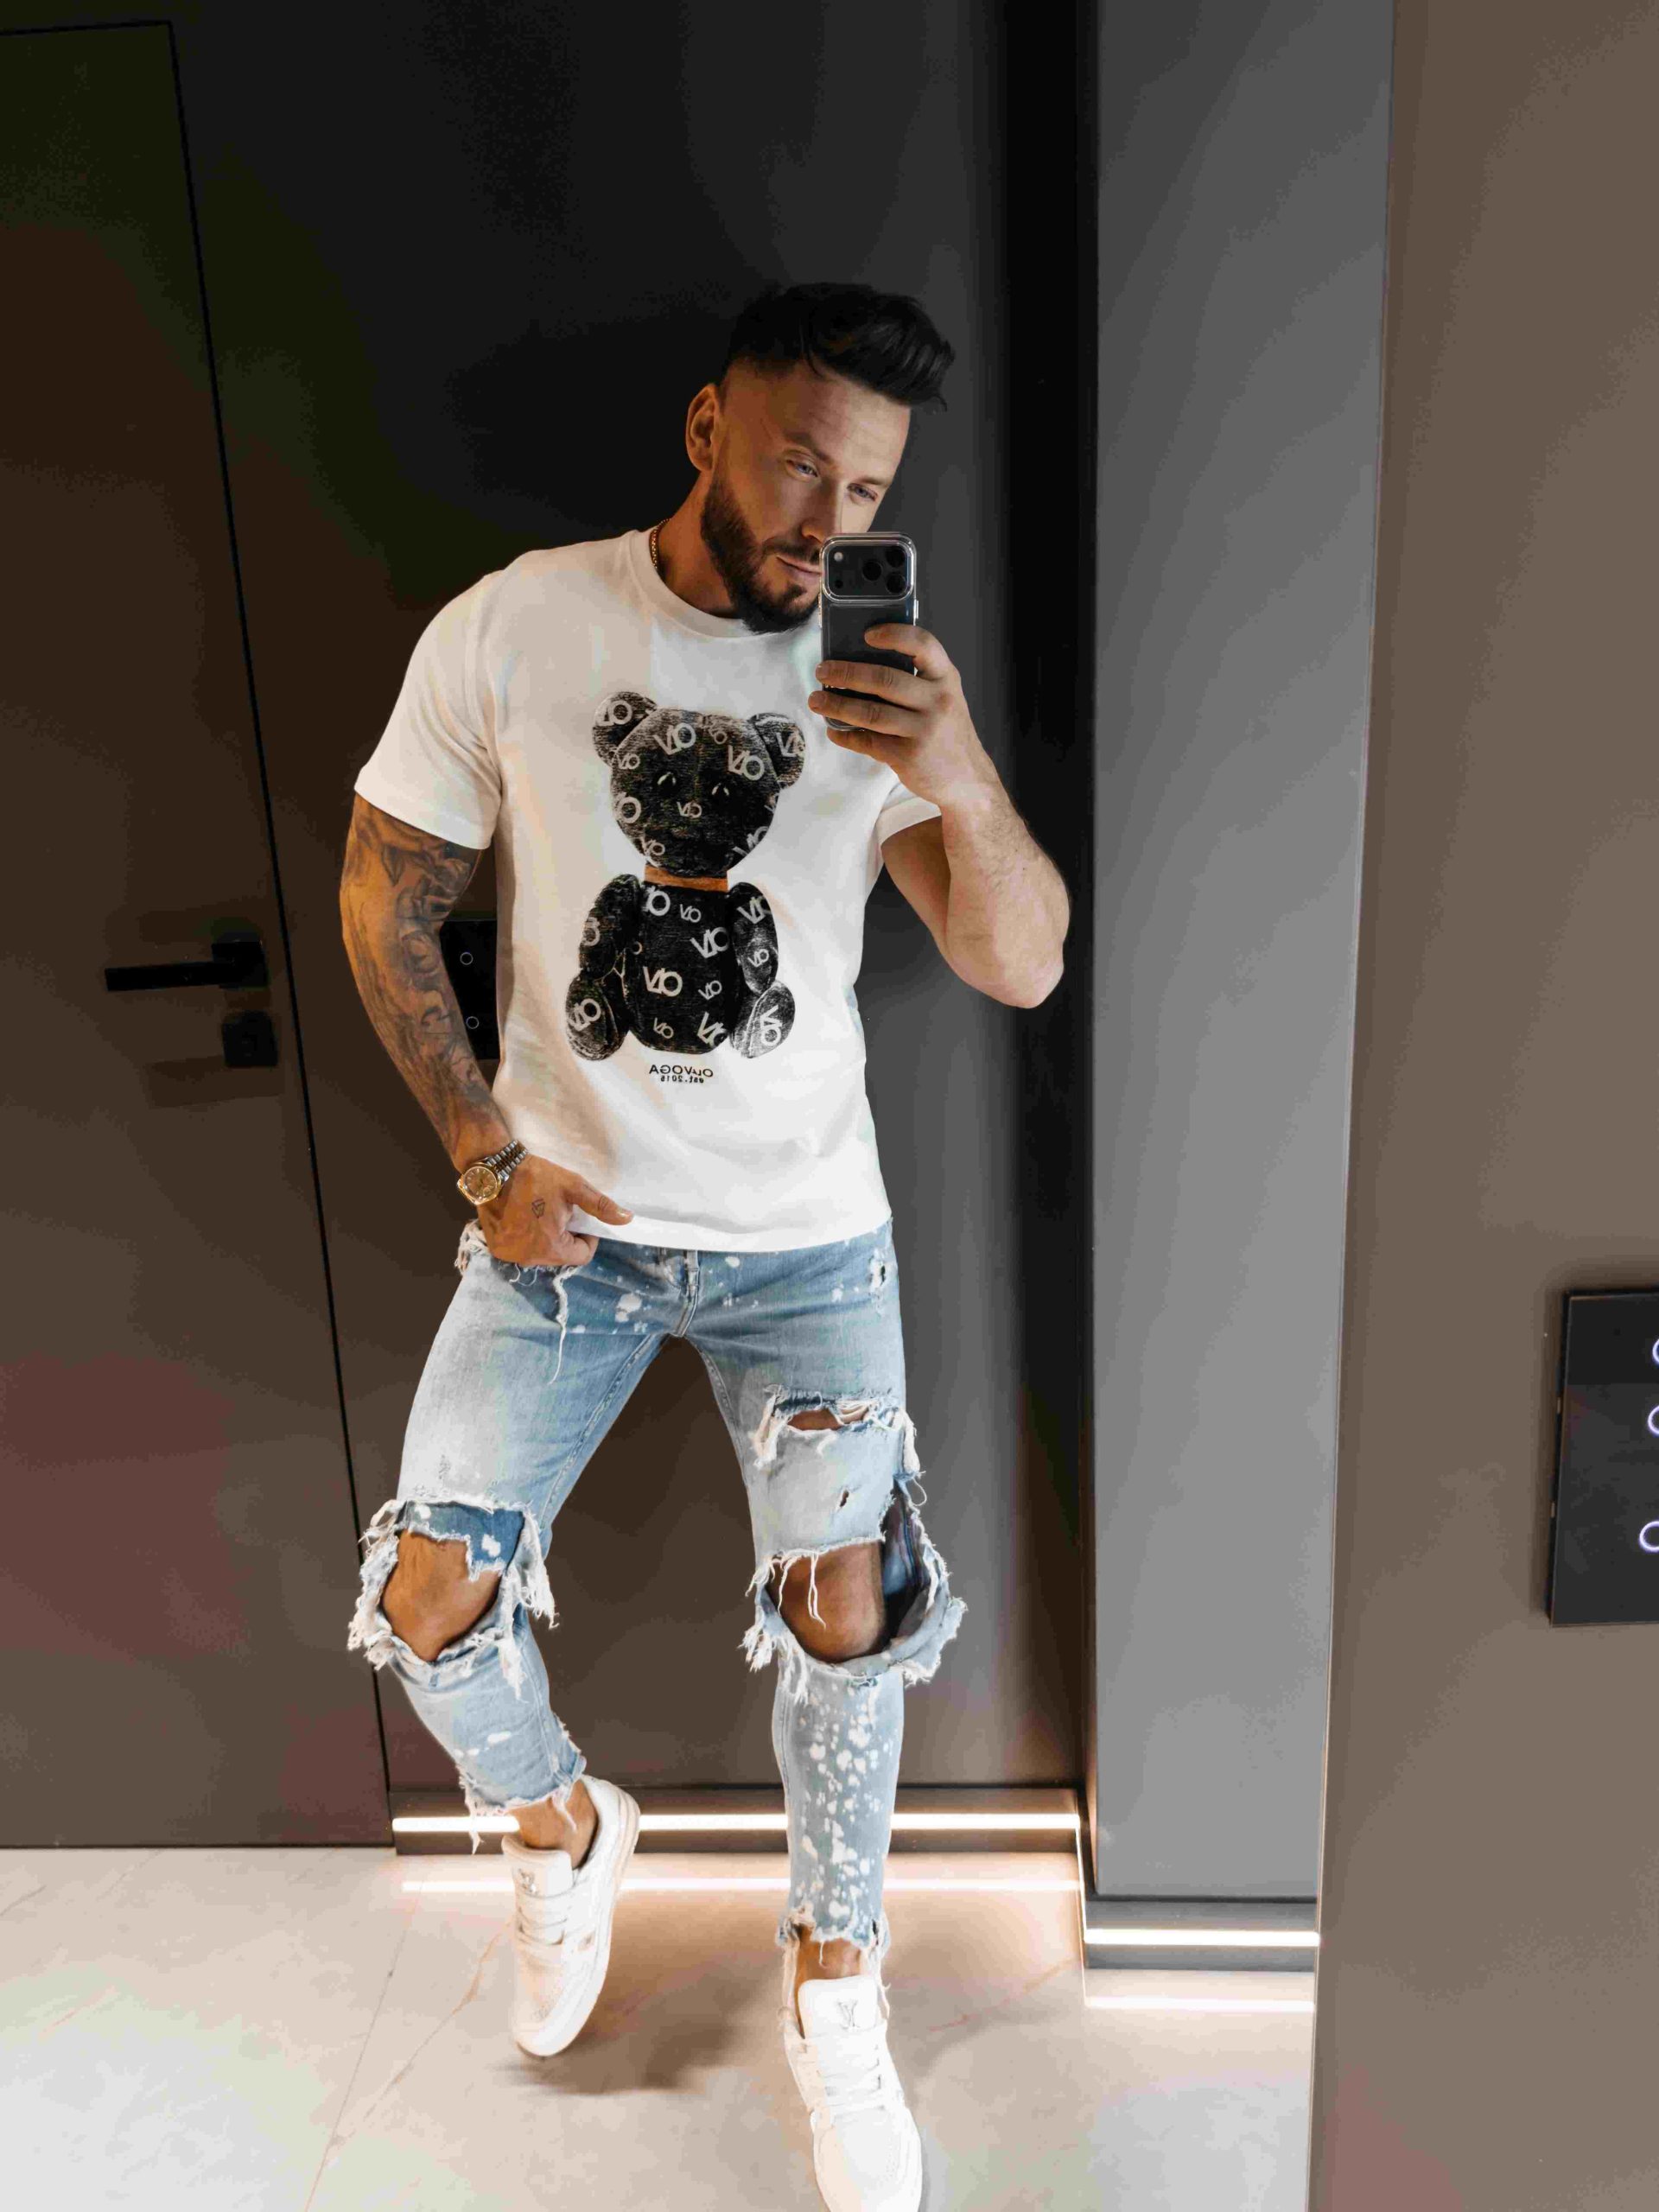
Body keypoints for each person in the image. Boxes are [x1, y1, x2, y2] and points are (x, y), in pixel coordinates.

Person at [338, 278, 1069, 2212]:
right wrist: (482, 1152)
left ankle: (837, 1985)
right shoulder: (520, 624)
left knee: (851, 1612)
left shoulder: (877, 683)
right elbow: (380, 895)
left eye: (869, 490)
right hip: (561, 1233)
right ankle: (560, 1830)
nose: (827, 520)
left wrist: (961, 772)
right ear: (706, 428)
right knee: (426, 1594)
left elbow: (1020, 962)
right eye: (799, 466)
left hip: (807, 1242)